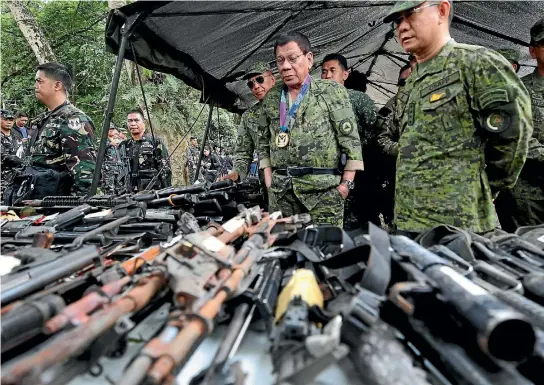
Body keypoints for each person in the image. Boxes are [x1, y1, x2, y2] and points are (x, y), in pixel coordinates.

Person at [384, 0, 532, 236]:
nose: (402, 26)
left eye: (410, 14)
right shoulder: (412, 82)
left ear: (442, 10)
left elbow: (513, 136)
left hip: (459, 223)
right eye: (397, 20)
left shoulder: (477, 63)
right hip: (408, 222)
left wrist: (481, 188)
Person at [257, 32, 364, 227]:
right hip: (282, 195)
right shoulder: (272, 97)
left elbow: (350, 140)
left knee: (325, 252)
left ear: (309, 59)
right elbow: (262, 139)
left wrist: (346, 184)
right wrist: (268, 176)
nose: (285, 66)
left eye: (292, 58)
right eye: (280, 60)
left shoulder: (331, 91)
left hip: (323, 194)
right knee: (283, 250)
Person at [4, 63, 97, 204]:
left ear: (57, 85)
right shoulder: (43, 120)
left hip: (55, 206)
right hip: (34, 200)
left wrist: (77, 209)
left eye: (39, 81)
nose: (35, 85)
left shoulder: (73, 119)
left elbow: (85, 174)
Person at [496, 18, 544, 230]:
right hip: (526, 196)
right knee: (527, 254)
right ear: (532, 51)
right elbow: (515, 137)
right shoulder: (515, 92)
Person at [321, 53, 377, 230]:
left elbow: (376, 132)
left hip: (359, 176)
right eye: (323, 72)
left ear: (345, 74)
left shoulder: (359, 99)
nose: (327, 75)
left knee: (362, 223)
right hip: (327, 176)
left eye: (332, 70)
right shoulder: (315, 104)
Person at [229, 62, 277, 181]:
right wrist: (236, 174)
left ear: (272, 79)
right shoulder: (249, 116)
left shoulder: (291, 104)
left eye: (260, 79)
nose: (256, 86)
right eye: (251, 84)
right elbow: (243, 154)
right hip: (269, 183)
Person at [119, 109, 172, 192]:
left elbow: (165, 169)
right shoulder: (124, 145)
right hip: (130, 193)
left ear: (143, 122)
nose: (133, 124)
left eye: (136, 120)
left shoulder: (155, 141)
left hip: (152, 192)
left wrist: (167, 191)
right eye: (130, 121)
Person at [1, 110, 22, 201]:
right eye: (6, 119)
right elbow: (2, 155)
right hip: (3, 177)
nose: (9, 122)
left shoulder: (16, 136)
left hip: (16, 176)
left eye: (11, 120)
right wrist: (21, 161)